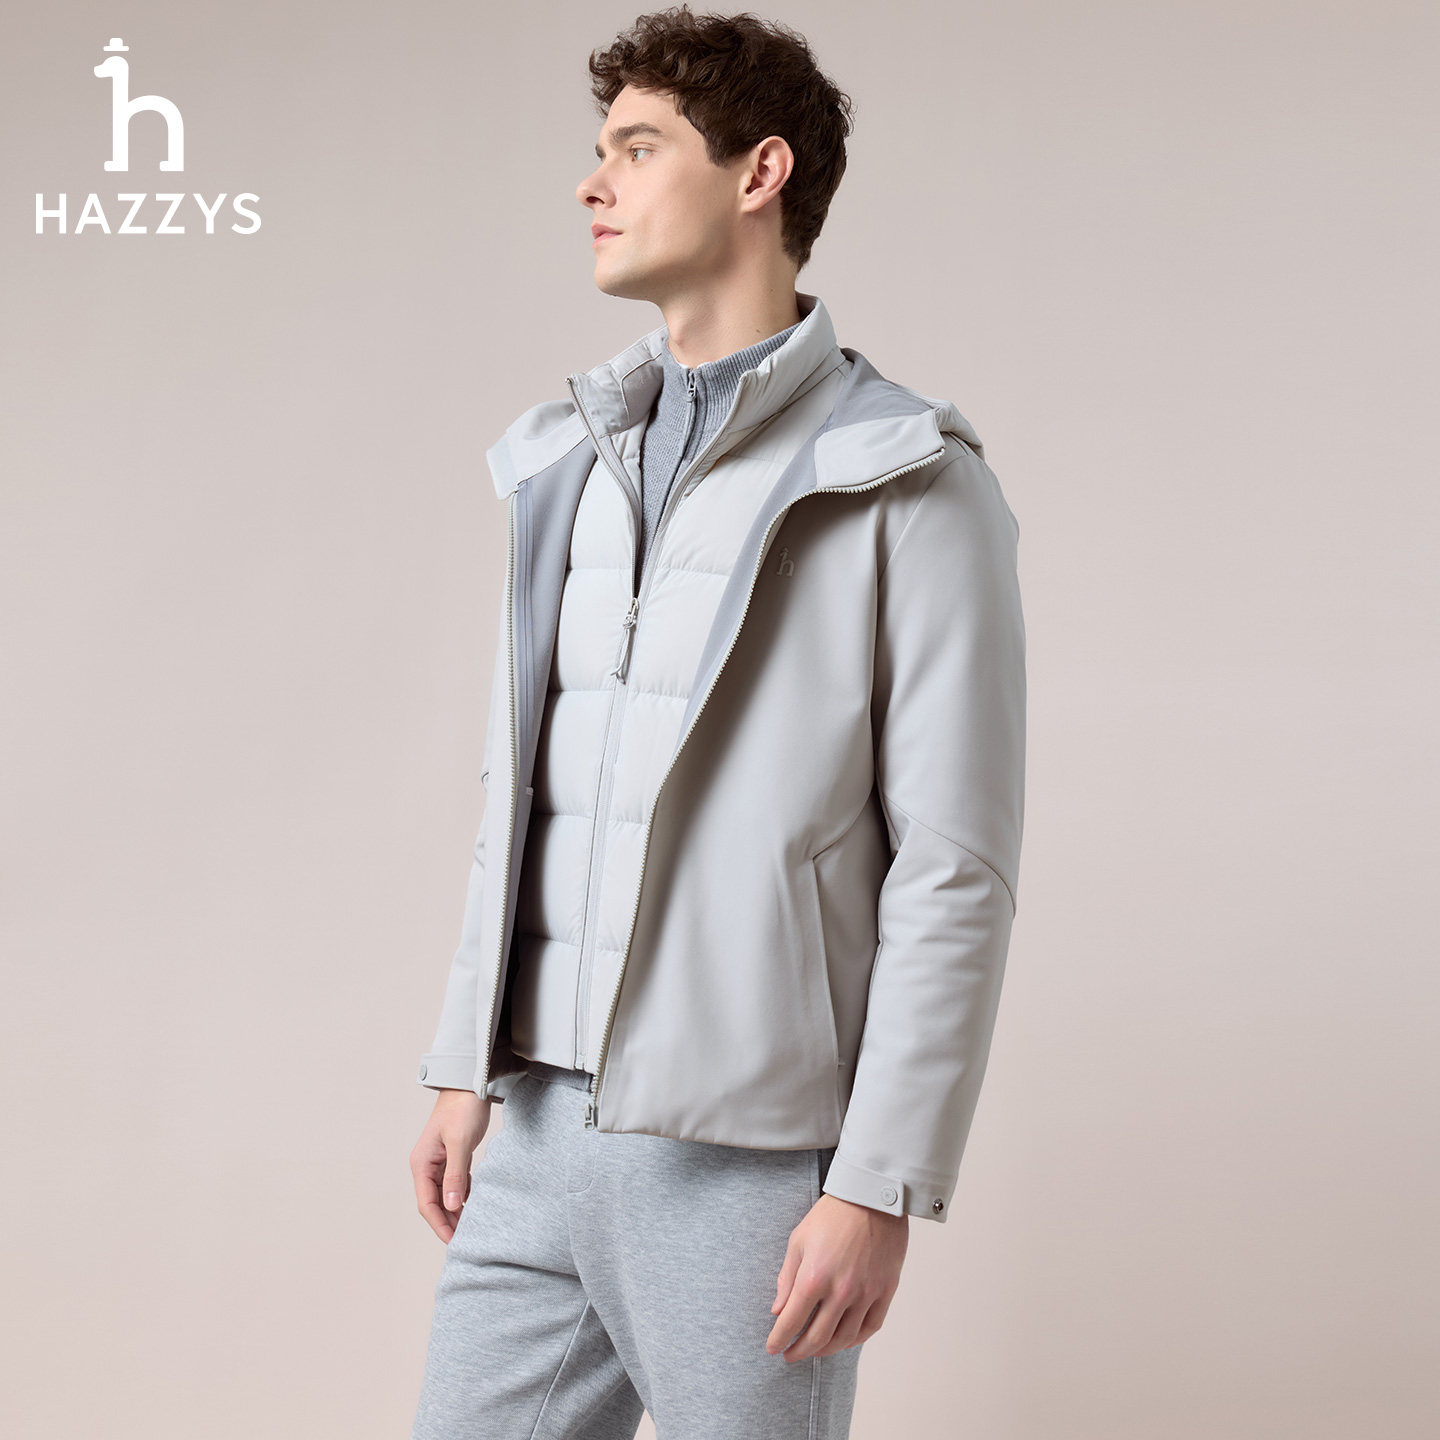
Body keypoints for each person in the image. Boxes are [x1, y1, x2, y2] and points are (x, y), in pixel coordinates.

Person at [407, 8, 1026, 1437]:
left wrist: (877, 1182)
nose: (593, 183)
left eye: (637, 148)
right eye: (601, 150)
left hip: (745, 1165)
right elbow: (529, 799)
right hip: (532, 1131)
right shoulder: (571, 462)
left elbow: (956, 869)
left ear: (759, 172)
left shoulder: (906, 480)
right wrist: (461, 1062)